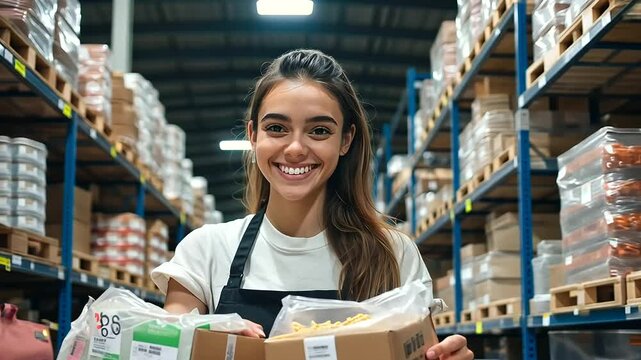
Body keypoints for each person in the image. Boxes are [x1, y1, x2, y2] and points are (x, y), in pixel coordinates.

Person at [151, 49, 473, 360]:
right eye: (276, 128)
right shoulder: (205, 252)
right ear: (253, 135)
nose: (294, 148)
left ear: (345, 140)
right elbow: (161, 350)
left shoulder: (393, 254)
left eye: (319, 131)